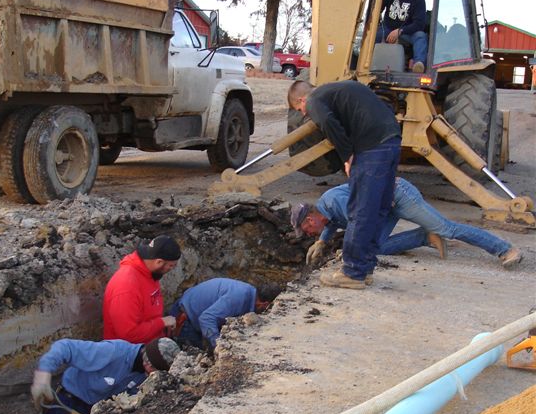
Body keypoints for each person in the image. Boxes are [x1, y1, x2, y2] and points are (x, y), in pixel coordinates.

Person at [288, 80, 401, 289]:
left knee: (361, 210)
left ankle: (352, 272)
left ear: (301, 99)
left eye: (300, 109)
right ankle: (364, 269)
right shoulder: (338, 90)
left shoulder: (314, 99)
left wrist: (346, 155)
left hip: (371, 149)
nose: (305, 114)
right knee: (378, 210)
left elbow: (328, 122)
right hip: (391, 140)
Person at [291, 177, 523, 274]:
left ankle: (504, 249)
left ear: (310, 219)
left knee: (446, 228)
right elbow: (333, 223)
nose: (309, 234)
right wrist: (322, 241)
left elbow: (360, 224)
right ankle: (423, 237)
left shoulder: (334, 201)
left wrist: (350, 253)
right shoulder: (325, 211)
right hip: (382, 207)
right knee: (376, 247)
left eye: (308, 231)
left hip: (398, 194)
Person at [30, 337, 180, 414]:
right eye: (156, 372)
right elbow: (66, 347)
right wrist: (43, 374)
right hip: (66, 406)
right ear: (149, 364)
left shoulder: (142, 376)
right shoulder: (113, 352)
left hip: (91, 413)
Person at [103, 235, 181, 343]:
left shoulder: (150, 273)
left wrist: (162, 326)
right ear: (159, 262)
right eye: (171, 266)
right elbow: (128, 335)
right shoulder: (126, 287)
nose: (172, 269)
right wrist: (161, 323)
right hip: (129, 354)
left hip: (151, 344)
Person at [169, 278, 282, 350]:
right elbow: (206, 318)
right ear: (264, 304)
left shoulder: (249, 293)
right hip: (183, 320)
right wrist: (218, 345)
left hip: (193, 313)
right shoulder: (239, 298)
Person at [376, 0, 428, 73]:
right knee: (374, 35)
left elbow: (419, 24)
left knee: (420, 36)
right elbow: (376, 9)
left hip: (408, 32)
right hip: (387, 28)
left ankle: (419, 63)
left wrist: (400, 31)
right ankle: (367, 63)